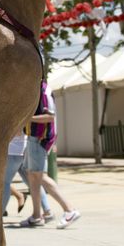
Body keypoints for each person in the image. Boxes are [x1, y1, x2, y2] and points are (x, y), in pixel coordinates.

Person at [22, 81, 80, 229]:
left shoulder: (44, 91)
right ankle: (36, 216)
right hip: (32, 137)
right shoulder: (35, 89)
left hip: (40, 139)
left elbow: (50, 117)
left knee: (40, 176)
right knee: (31, 175)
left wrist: (27, 118)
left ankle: (69, 210)